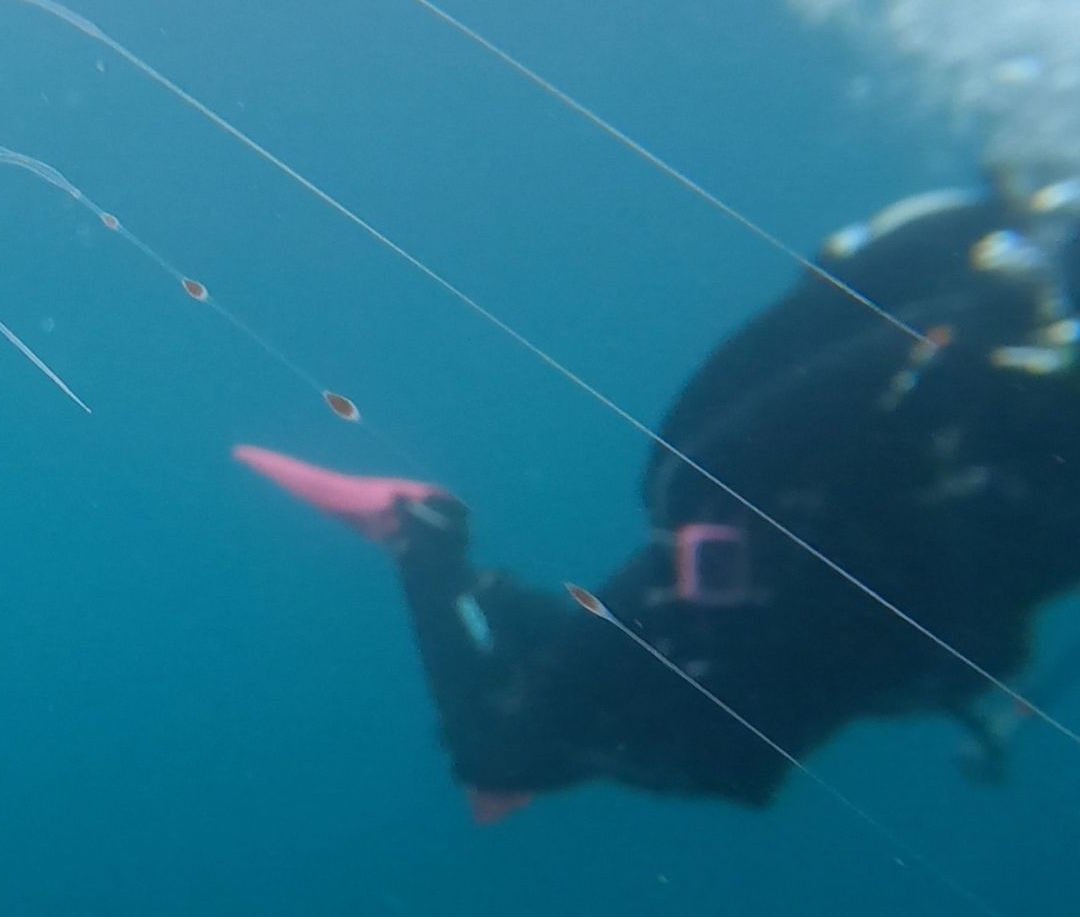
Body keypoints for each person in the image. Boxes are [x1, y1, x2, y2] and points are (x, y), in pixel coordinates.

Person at [237, 175, 1080, 823]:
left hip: (824, 644)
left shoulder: (1015, 385)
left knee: (658, 756)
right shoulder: (982, 357)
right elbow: (761, 436)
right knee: (495, 754)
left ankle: (492, 613)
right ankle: (421, 530)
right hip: (738, 595)